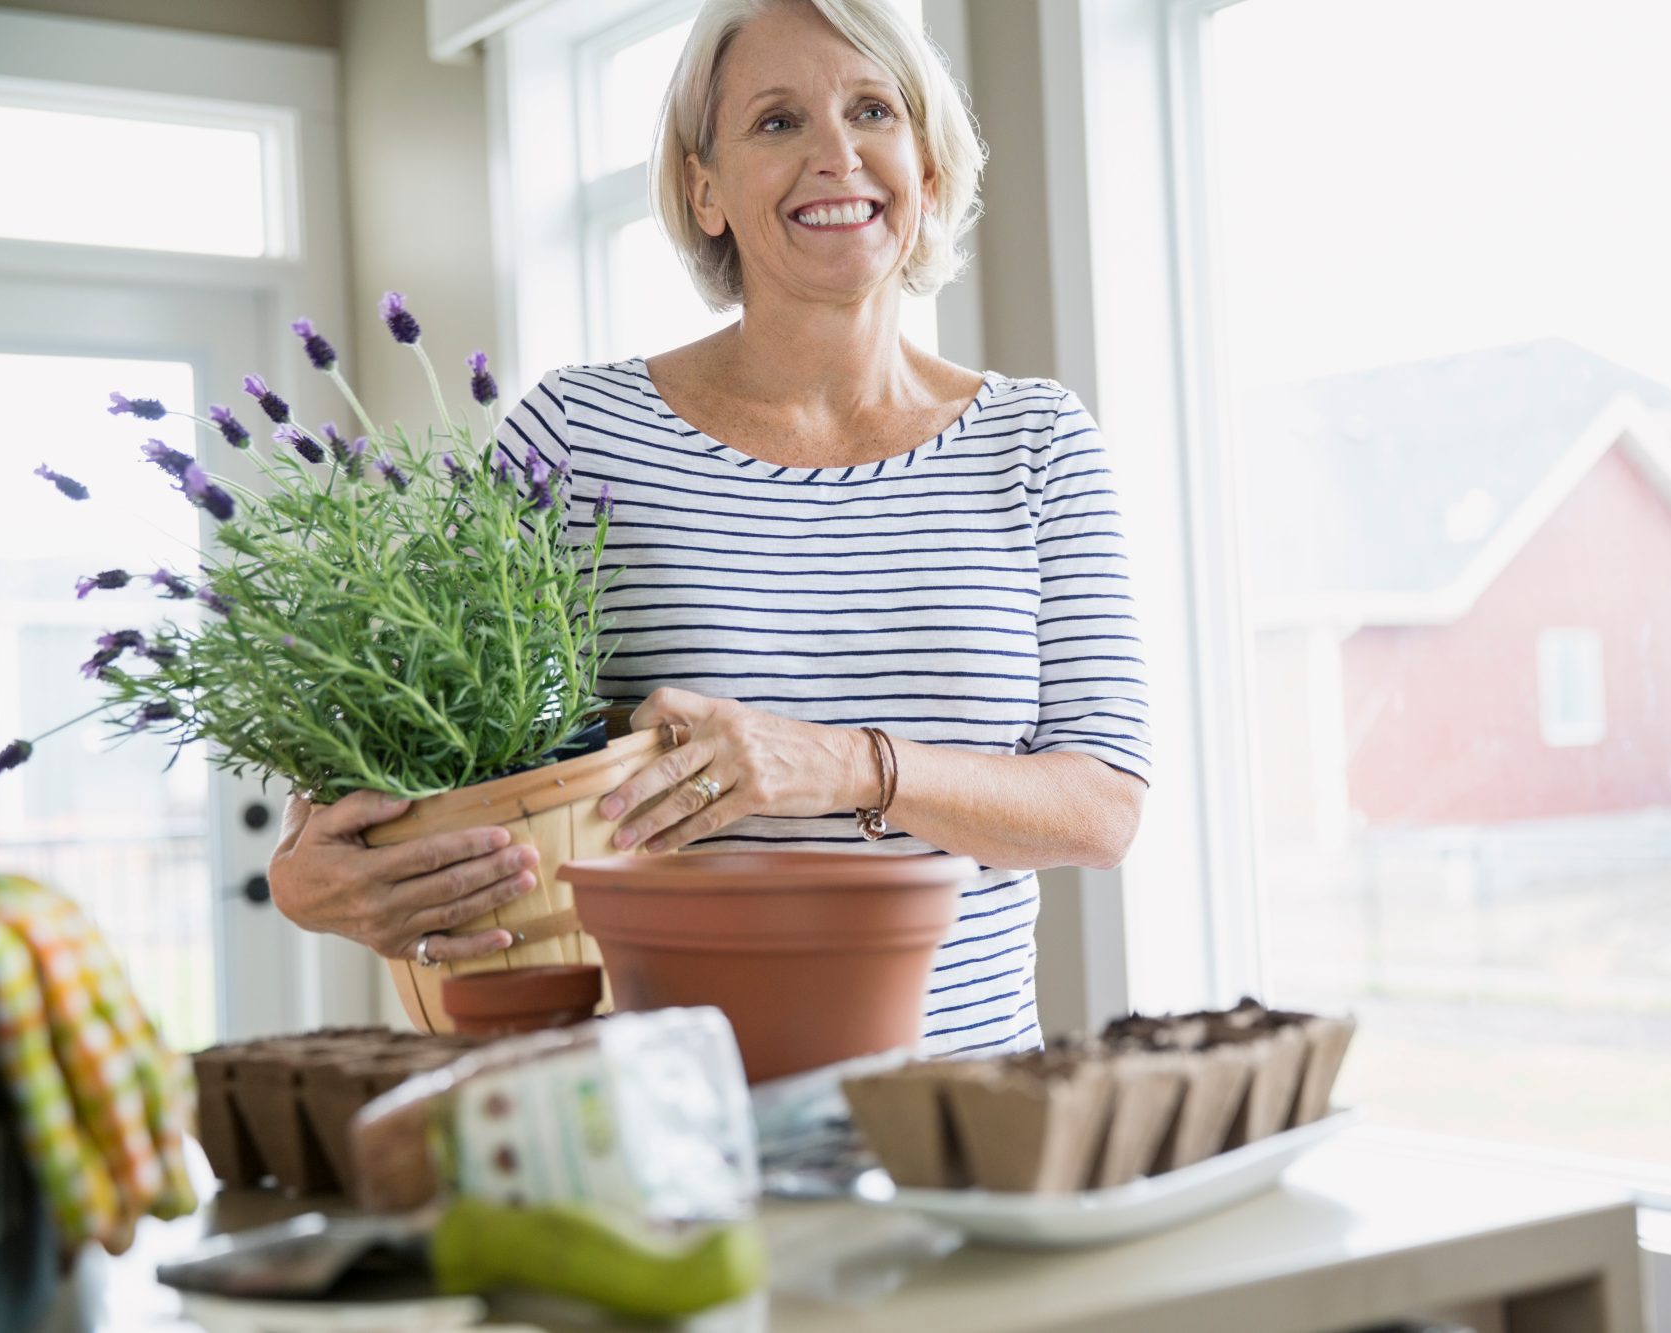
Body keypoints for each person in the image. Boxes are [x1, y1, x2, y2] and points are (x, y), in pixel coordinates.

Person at [270, 0, 1149, 1057]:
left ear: (923, 164)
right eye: (776, 122)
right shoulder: (578, 434)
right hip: (649, 1120)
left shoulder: (1036, 441)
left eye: (872, 108)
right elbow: (411, 740)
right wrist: (312, 870)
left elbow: (1099, 809)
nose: (835, 153)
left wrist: (844, 766)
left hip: (961, 1124)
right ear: (705, 187)